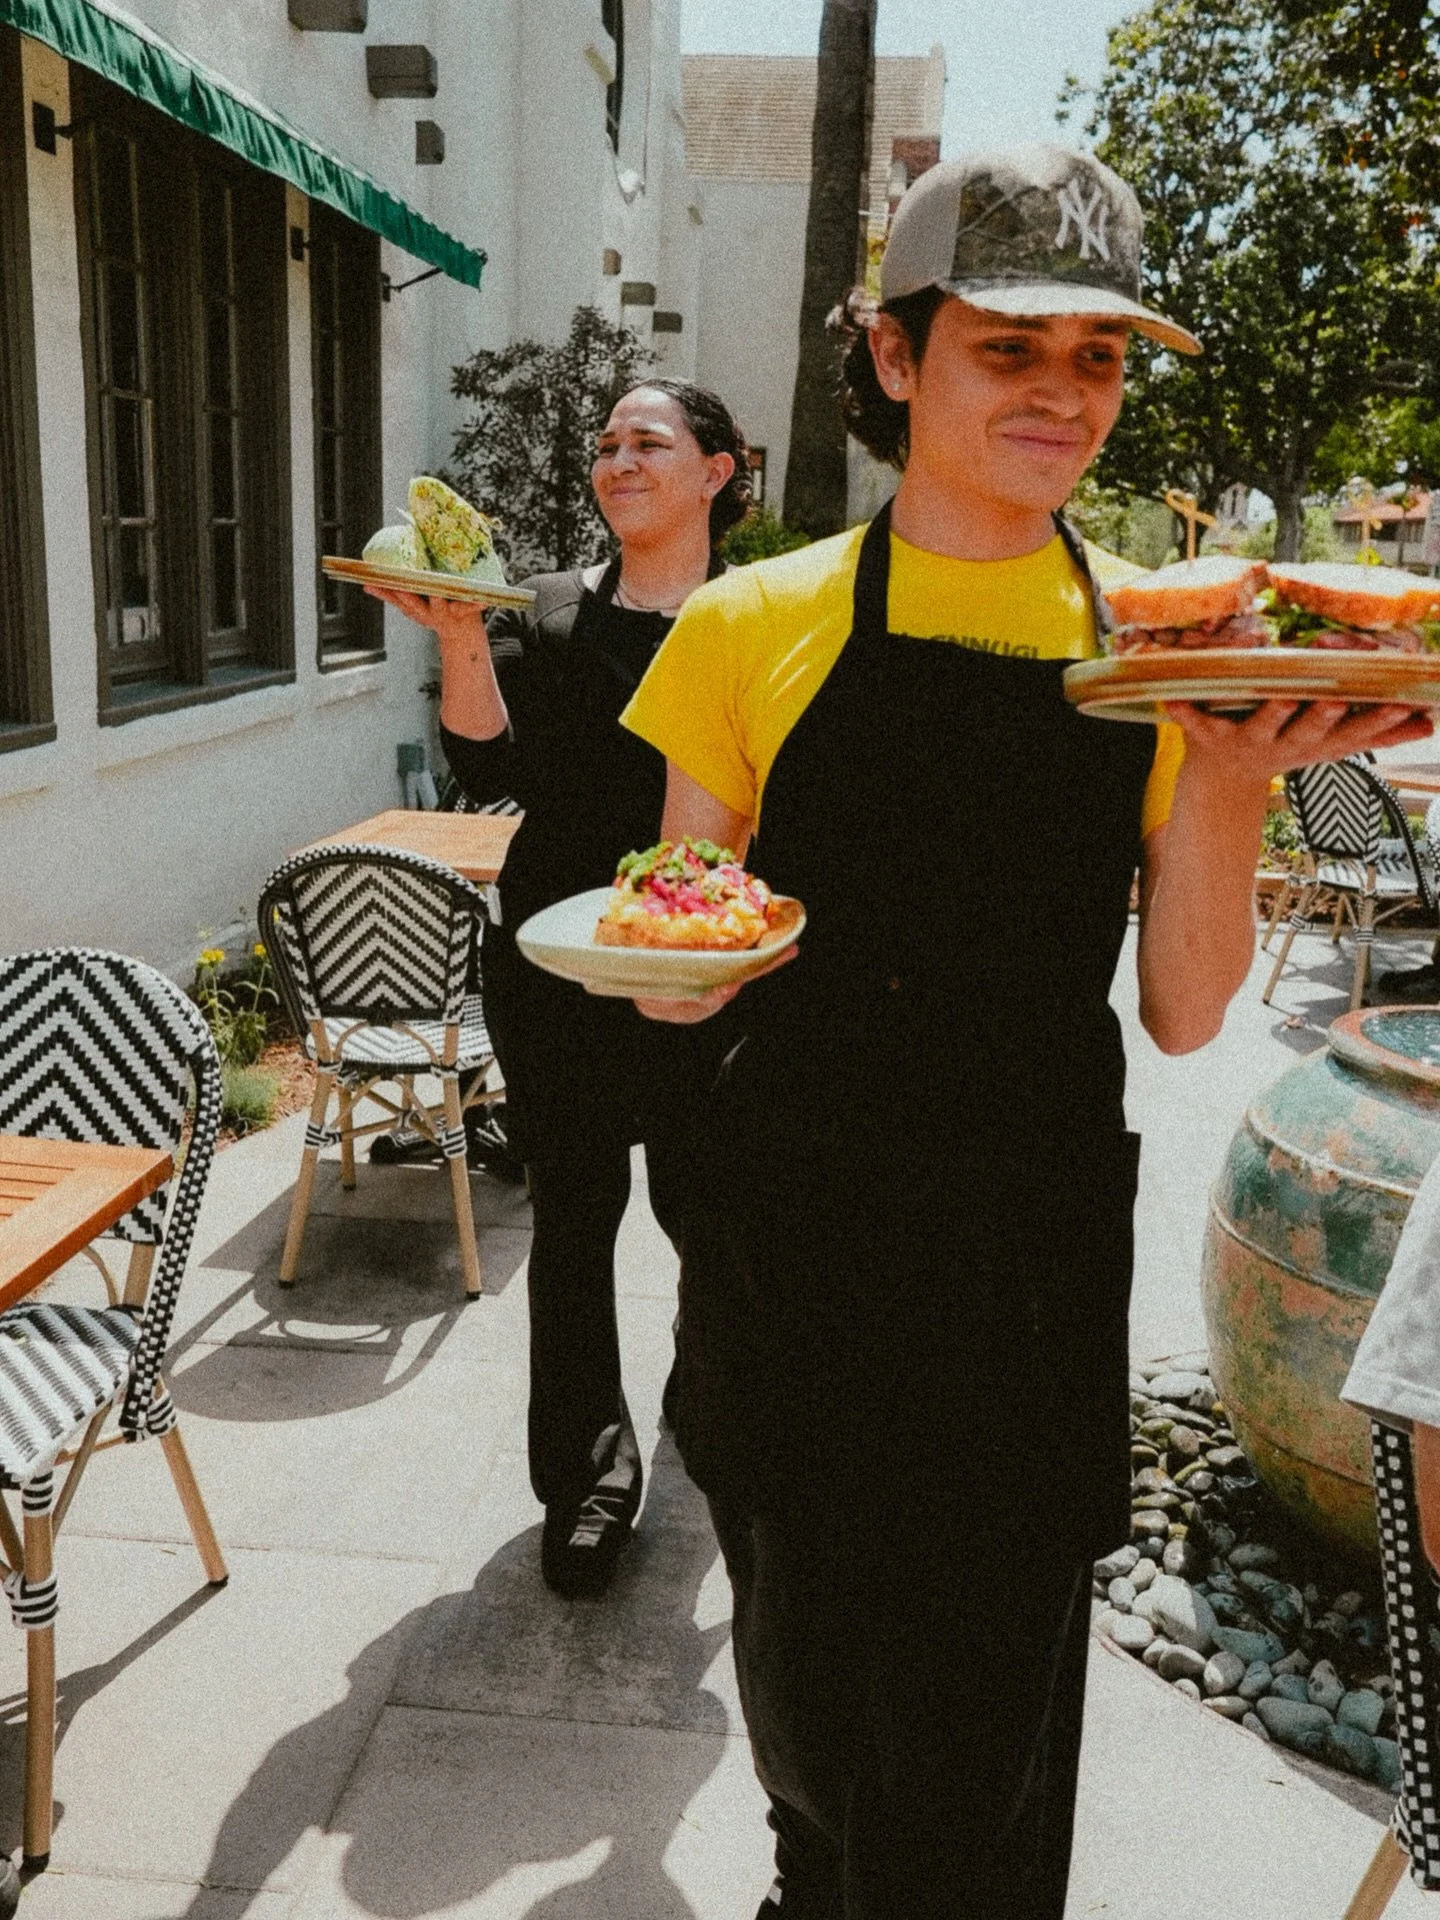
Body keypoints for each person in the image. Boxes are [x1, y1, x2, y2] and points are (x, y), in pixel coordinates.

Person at [621, 146, 1434, 1917]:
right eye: (1013, 350)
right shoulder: (754, 620)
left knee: (983, 1773)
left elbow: (1189, 1003)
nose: (1065, 395)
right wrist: (679, 971)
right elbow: (679, 912)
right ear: (897, 359)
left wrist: (1227, 775)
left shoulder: (1158, 654)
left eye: (1100, 357)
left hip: (1021, 1253)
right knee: (809, 1734)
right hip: (793, 1244)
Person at [368, 379, 751, 1598]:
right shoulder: (540, 607)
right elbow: (486, 770)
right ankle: (587, 1476)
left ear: (719, 471)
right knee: (576, 1230)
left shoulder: (754, 620)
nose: (617, 459)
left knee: (719, 1220)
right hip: (554, 966)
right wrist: (458, 633)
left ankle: (712, 1403)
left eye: (649, 441)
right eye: (604, 444)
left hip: (706, 970)